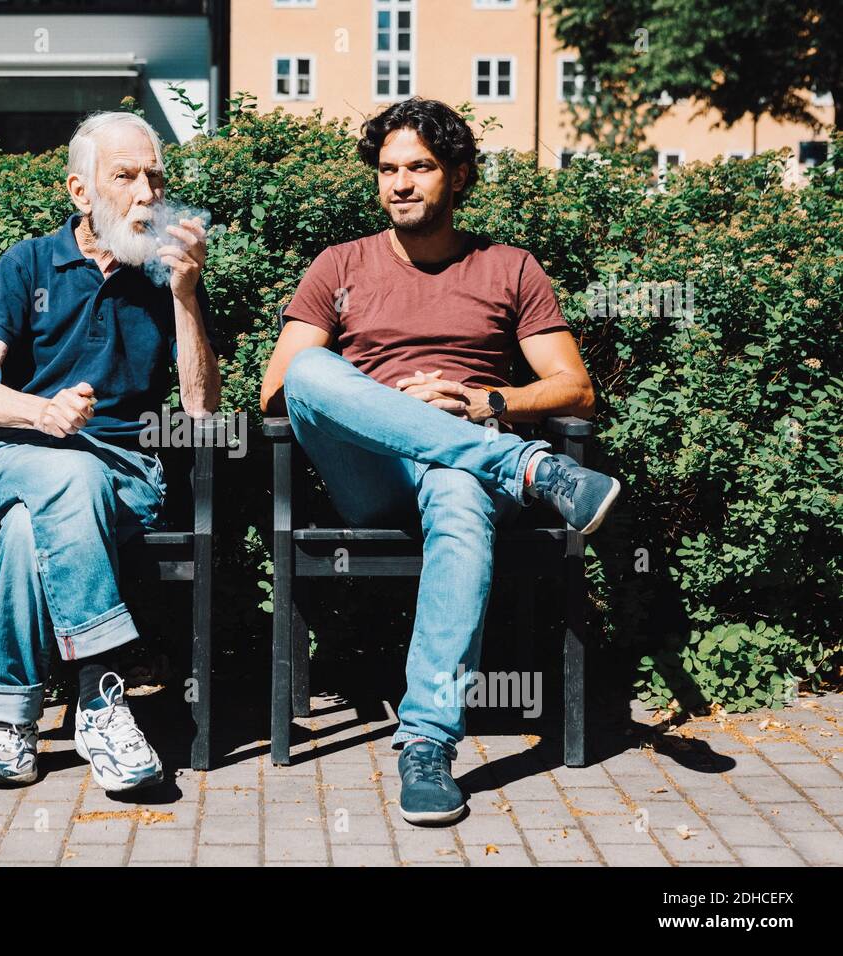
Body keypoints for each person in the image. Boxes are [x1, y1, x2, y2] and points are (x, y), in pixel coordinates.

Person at [259, 97, 620, 824]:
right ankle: (531, 469)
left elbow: (575, 388)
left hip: (467, 467)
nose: (400, 183)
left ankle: (425, 741)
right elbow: (277, 392)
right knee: (309, 372)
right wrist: (402, 410)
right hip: (374, 474)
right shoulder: (339, 265)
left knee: (457, 488)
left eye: (419, 167)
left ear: (458, 175)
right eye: (388, 169)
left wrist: (484, 402)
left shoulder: (509, 267)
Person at [0, 111, 221, 791]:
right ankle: (101, 699)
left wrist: (187, 296)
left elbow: (202, 409)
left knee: (25, 532)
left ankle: (10, 722)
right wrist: (42, 412)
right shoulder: (29, 264)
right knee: (66, 474)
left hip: (125, 475)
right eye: (125, 177)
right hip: (16, 456)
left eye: (154, 177)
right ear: (81, 192)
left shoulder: (166, 277)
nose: (146, 194)